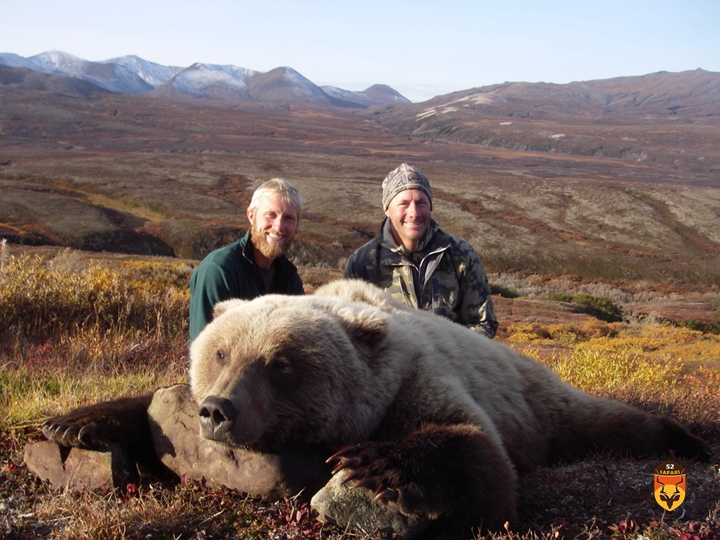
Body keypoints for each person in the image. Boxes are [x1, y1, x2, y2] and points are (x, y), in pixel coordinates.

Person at [344, 163, 498, 338]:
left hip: (451, 361)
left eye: (421, 203)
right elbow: (351, 331)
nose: (414, 213)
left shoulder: (460, 254)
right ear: (387, 209)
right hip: (391, 363)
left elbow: (483, 322)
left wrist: (449, 356)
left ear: (430, 206)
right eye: (403, 204)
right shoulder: (361, 263)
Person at [189, 178, 304, 342]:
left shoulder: (290, 278)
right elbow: (203, 349)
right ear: (251, 216)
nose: (278, 227)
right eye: (270, 215)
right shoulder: (218, 270)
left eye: (288, 218)